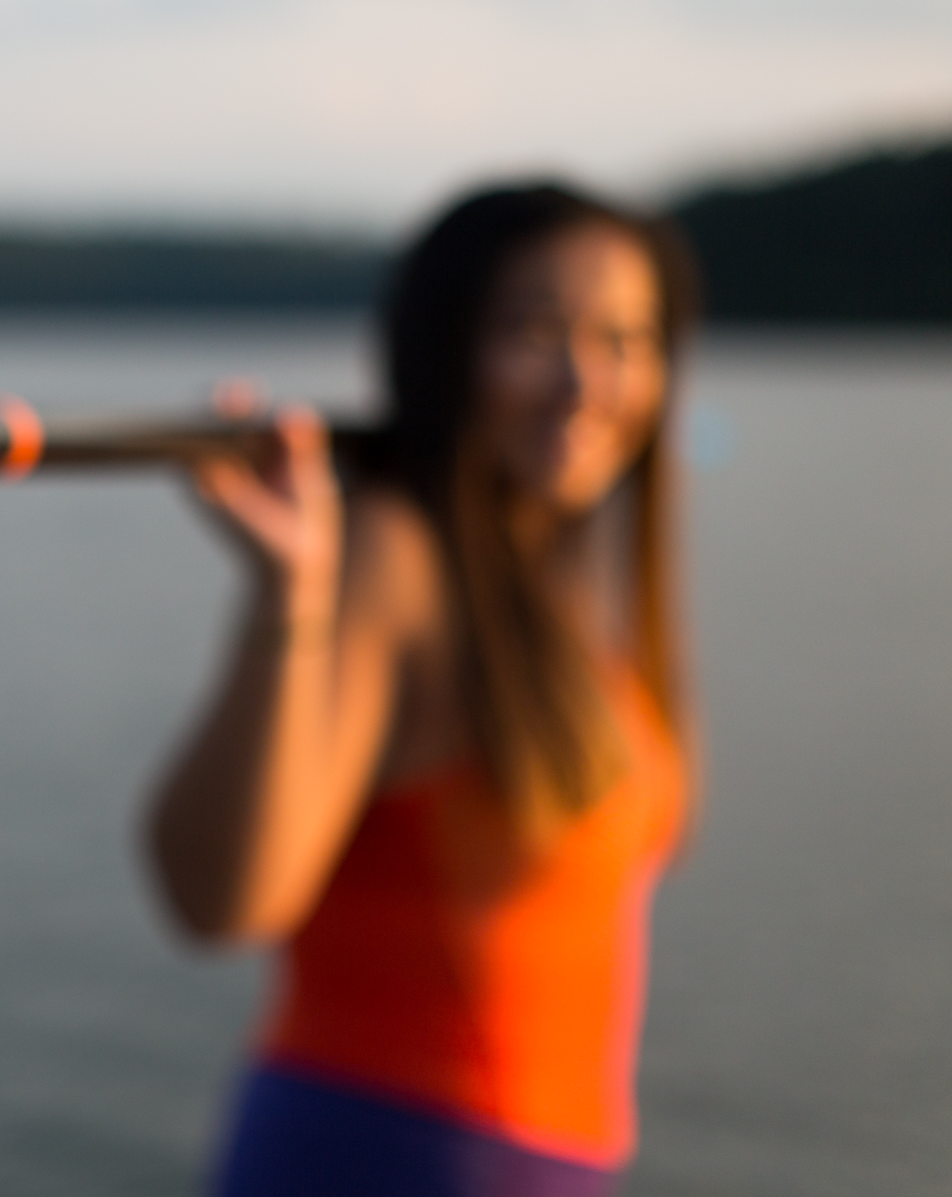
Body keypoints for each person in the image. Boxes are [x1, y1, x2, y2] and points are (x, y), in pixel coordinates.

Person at [145, 183, 700, 1196]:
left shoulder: (556, 596)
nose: (587, 381)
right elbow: (220, 899)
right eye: (536, 331)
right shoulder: (397, 557)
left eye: (627, 338)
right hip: (390, 1154)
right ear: (440, 348)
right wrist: (289, 596)